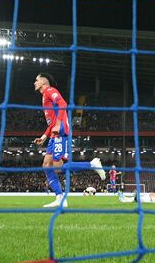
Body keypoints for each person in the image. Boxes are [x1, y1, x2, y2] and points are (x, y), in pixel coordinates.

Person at [33, 73, 106, 208]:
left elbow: (63, 104)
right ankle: (60, 198)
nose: (34, 83)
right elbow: (51, 123)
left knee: (58, 168)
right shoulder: (45, 97)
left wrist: (58, 124)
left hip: (60, 133)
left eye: (36, 80)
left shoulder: (50, 91)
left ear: (44, 81)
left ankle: (91, 165)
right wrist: (44, 136)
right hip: (53, 135)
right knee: (46, 165)